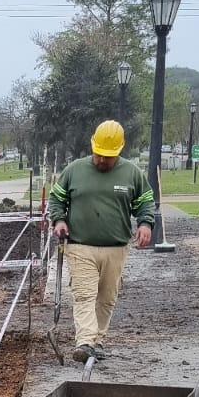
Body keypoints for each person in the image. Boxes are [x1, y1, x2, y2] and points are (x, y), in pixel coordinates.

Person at [47, 120, 154, 362]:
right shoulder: (74, 170)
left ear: (119, 151)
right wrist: (59, 220)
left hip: (115, 248)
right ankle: (85, 342)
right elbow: (56, 199)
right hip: (80, 245)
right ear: (92, 147)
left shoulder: (132, 173)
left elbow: (145, 201)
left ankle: (98, 341)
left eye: (108, 156)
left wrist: (146, 223)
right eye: (98, 154)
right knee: (84, 295)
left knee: (106, 297)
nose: (102, 160)